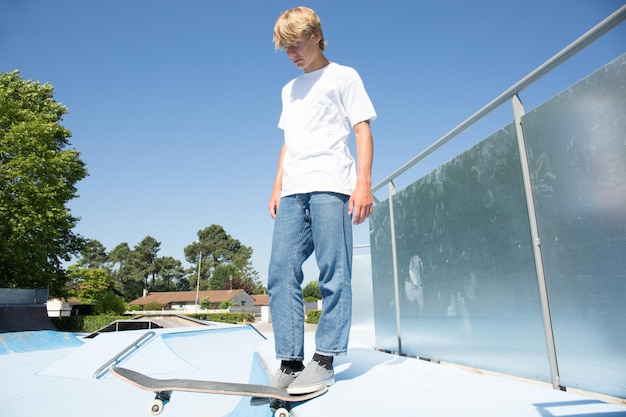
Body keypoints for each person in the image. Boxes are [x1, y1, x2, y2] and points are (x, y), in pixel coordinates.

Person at [266, 6, 376, 395]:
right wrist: (277, 185)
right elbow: (288, 142)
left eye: (296, 45)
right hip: (294, 190)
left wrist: (363, 184)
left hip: (332, 184)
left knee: (334, 272)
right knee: (280, 272)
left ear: (315, 36)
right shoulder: (288, 90)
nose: (291, 54)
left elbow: (362, 131)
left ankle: (325, 359)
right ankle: (290, 360)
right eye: (285, 48)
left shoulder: (344, 76)